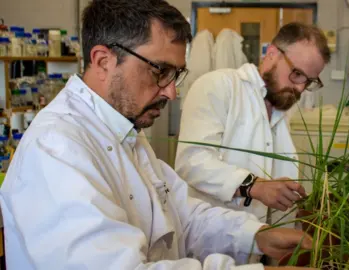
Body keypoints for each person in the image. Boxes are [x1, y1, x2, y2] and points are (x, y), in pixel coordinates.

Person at [0, 1, 314, 269]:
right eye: (159, 71)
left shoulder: (126, 132)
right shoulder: (56, 149)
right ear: (103, 61)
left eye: (176, 74)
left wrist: (255, 236)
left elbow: (181, 214)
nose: (172, 92)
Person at [175, 23, 331, 225]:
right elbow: (192, 161)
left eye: (309, 81)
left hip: (266, 238)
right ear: (272, 53)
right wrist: (255, 186)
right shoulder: (217, 86)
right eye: (297, 74)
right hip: (212, 239)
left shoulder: (282, 106)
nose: (300, 88)